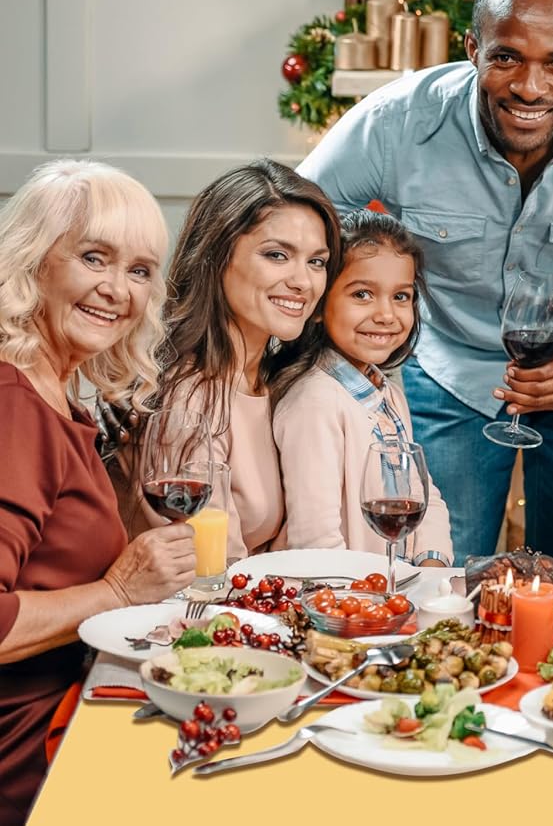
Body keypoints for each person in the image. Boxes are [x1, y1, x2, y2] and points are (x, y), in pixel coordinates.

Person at [300, 0, 553, 563]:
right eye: (507, 56)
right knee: (441, 571)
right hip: (448, 369)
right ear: (472, 47)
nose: (531, 88)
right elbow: (298, 216)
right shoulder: (396, 121)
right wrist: (376, 291)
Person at [0, 161, 195, 824]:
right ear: (36, 259)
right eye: (95, 257)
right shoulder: (14, 406)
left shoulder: (61, 394)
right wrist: (115, 594)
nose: (118, 289)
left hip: (79, 698)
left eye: (140, 270)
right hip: (32, 754)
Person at [122, 160, 341, 561]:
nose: (303, 281)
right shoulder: (193, 397)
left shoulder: (276, 382)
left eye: (317, 261)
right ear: (217, 256)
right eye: (277, 255)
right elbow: (210, 576)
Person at [274, 210, 453, 563]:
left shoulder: (388, 394)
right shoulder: (316, 403)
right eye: (362, 295)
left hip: (396, 588)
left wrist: (433, 565)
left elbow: (423, 494)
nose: (386, 314)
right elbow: (316, 544)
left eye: (401, 296)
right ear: (320, 305)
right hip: (345, 600)